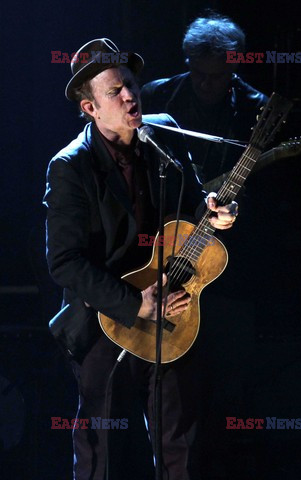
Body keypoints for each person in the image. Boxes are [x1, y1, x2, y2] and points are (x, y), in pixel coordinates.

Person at [43, 38, 237, 480]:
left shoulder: (162, 130)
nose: (130, 96)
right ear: (90, 107)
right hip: (103, 320)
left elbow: (192, 209)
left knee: (179, 442)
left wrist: (218, 216)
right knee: (101, 450)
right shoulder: (70, 166)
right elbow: (65, 262)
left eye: (131, 84)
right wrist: (135, 303)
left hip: (170, 316)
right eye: (115, 91)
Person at [141, 12, 268, 185]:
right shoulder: (156, 94)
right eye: (198, 73)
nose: (205, 84)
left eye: (217, 77)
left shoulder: (257, 107)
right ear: (189, 63)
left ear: (234, 67)